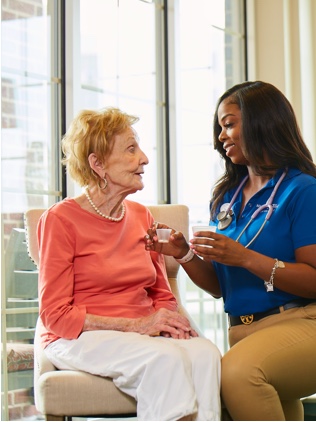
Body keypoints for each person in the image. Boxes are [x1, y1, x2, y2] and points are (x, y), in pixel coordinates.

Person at [37, 107, 222, 421]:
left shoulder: (140, 216)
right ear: (98, 164)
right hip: (79, 337)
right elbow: (55, 315)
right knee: (164, 359)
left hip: (140, 334)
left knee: (206, 354)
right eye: (131, 149)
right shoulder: (60, 220)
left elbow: (161, 293)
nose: (145, 159)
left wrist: (172, 323)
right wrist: (137, 326)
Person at [145, 81, 316, 421]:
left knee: (236, 375)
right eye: (220, 127)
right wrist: (185, 254)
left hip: (303, 323)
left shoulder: (304, 190)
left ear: (261, 121)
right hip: (242, 330)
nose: (221, 136)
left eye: (229, 123)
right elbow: (222, 287)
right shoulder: (228, 199)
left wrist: (243, 257)